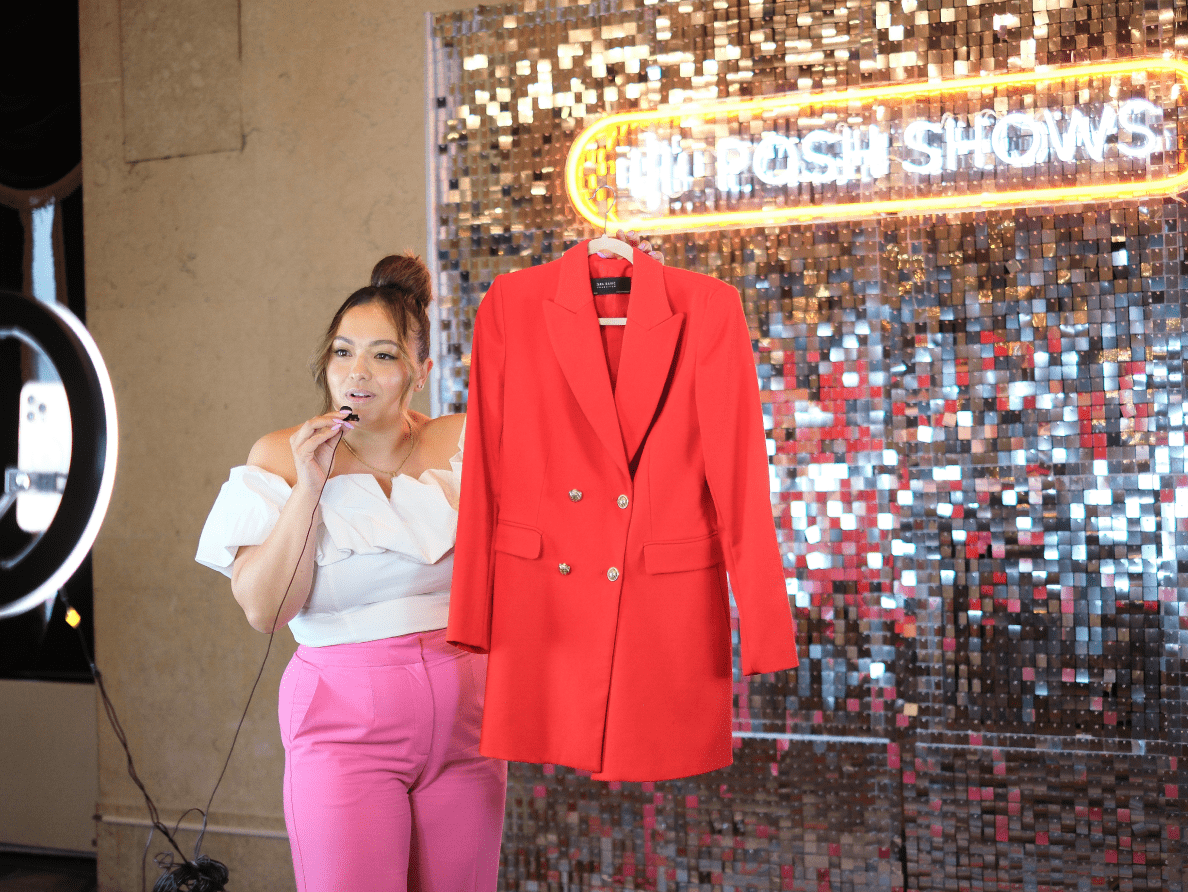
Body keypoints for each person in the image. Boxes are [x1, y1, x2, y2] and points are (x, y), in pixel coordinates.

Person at [195, 253, 506, 892]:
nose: (357, 373)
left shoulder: (464, 440)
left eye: (383, 356)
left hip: (470, 720)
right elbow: (263, 611)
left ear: (420, 371)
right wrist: (309, 488)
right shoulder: (280, 455)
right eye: (342, 352)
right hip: (344, 724)